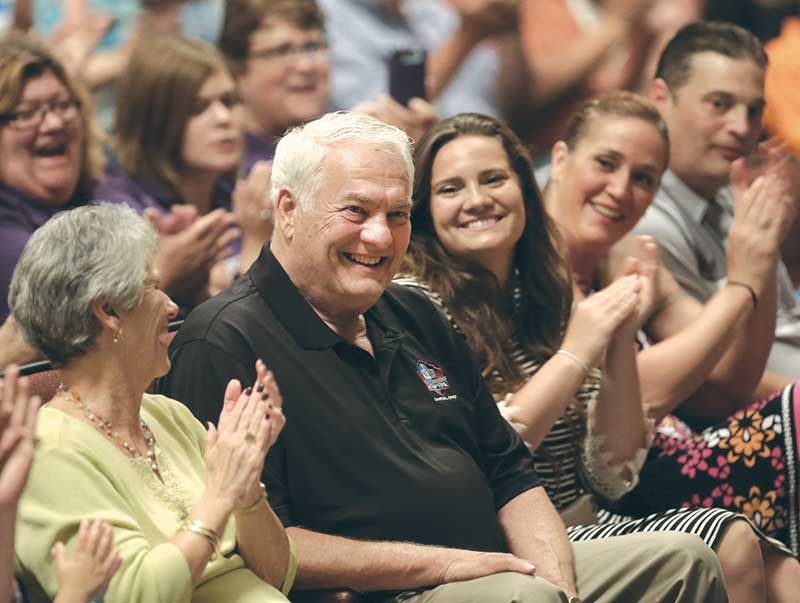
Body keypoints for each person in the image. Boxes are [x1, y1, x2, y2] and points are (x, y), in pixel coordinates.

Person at [159, 110, 727, 602]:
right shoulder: (222, 340)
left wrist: (562, 590)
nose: (380, 238)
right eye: (356, 212)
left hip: (503, 569)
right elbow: (257, 540)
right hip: (394, 590)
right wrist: (449, 564)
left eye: (398, 215)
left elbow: (510, 473)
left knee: (685, 560)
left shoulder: (413, 311)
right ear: (287, 209)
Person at [398, 108, 798, 601]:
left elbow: (612, 475)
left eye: (494, 179)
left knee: (741, 542)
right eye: (451, 189)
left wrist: (618, 348)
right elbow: (479, 460)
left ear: (524, 189)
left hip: (588, 516)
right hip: (497, 538)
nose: (478, 200)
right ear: (425, 211)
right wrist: (576, 351)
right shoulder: (414, 305)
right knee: (722, 541)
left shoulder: (544, 294)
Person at [543, 89, 800, 585]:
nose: (620, 190)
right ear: (559, 158)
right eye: (606, 163)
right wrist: (740, 284)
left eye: (643, 179)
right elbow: (630, 402)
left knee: (787, 576)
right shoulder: (528, 261)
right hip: (612, 482)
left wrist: (758, 258)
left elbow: (726, 378)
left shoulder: (629, 257)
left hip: (664, 455)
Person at [11, 203, 295, 602]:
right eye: (152, 287)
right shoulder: (50, 452)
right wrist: (219, 497)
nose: (172, 306)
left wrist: (246, 487)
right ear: (108, 310)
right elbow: (131, 595)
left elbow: (279, 576)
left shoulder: (169, 416)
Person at [632, 20, 800, 381]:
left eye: (754, 110)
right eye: (719, 104)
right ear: (660, 98)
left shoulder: (734, 197)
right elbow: (710, 379)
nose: (742, 127)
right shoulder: (642, 221)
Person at [94, 34, 253, 299]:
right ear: (156, 119)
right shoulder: (117, 211)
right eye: (198, 108)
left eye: (227, 101)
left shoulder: (236, 191)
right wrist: (255, 244)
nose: (223, 118)